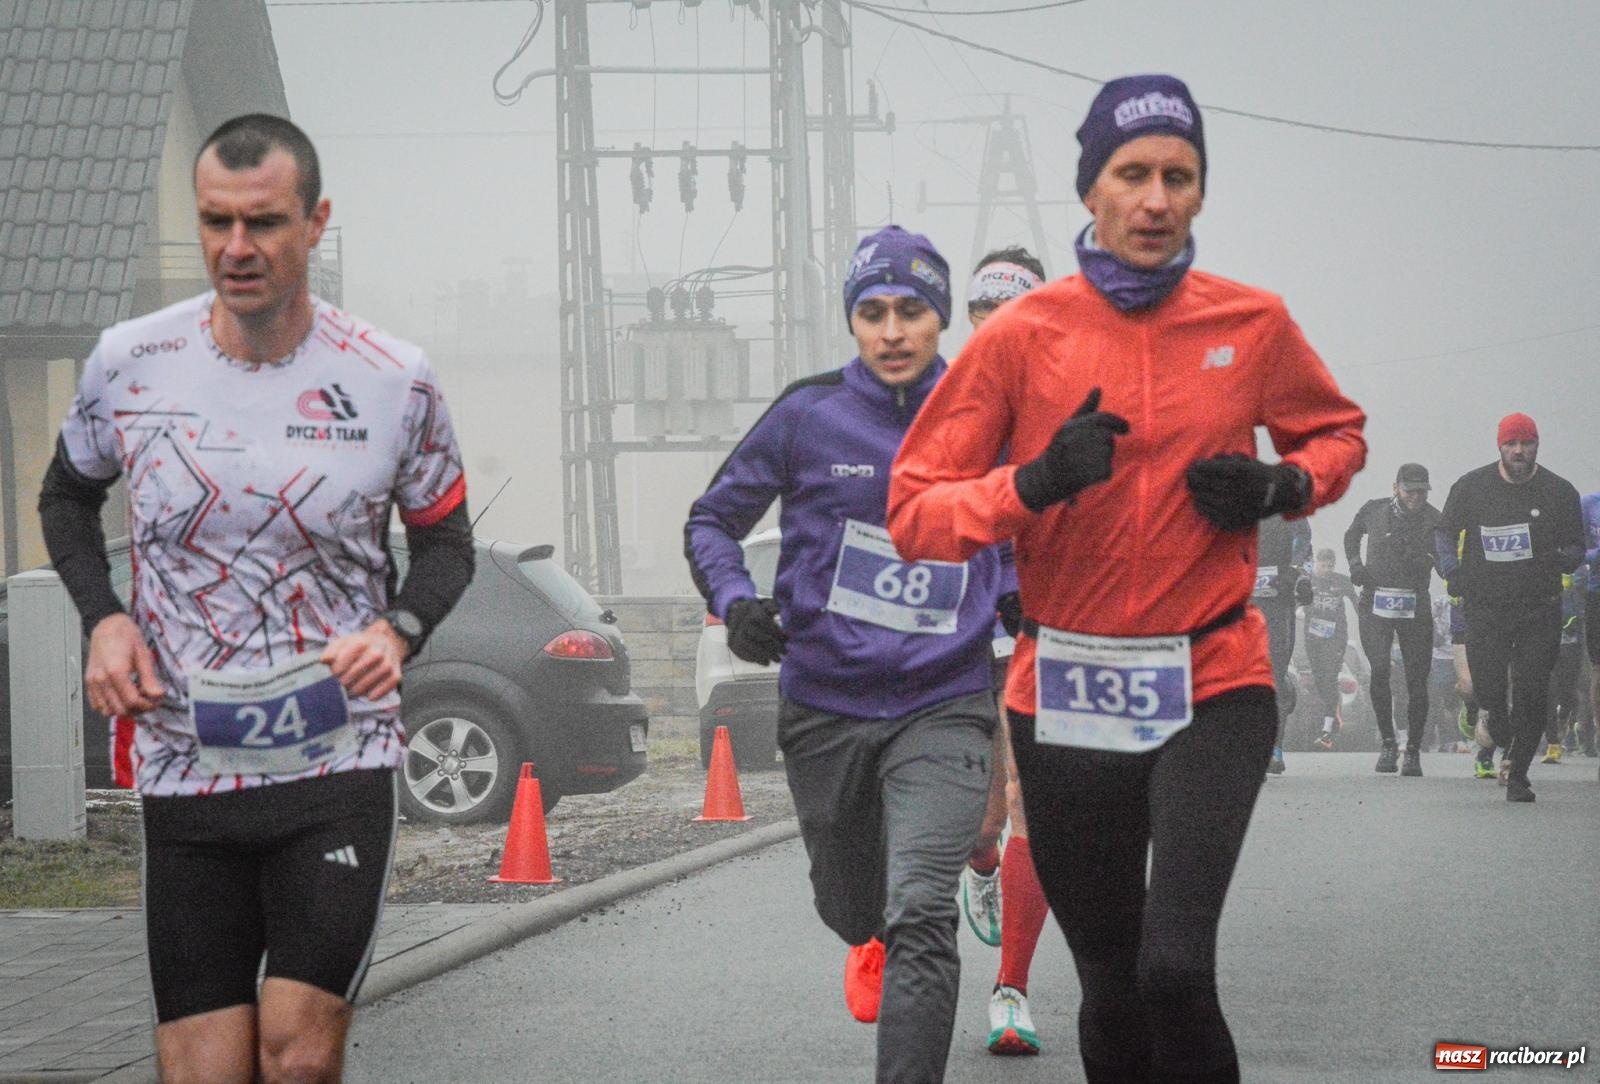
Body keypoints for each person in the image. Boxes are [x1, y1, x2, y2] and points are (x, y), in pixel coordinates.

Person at [887, 75, 1366, 1083]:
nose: (1156, 199)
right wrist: (1034, 483)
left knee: (1174, 970)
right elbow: (916, 511)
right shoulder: (1022, 338)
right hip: (1065, 691)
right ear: (1090, 191)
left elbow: (1336, 431)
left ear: (1198, 195)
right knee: (1108, 979)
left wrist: (1285, 482)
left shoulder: (1253, 322)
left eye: (1178, 177)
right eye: (1132, 174)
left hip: (1213, 677)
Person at [36, 115, 473, 1083]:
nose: (237, 249)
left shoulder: (392, 379)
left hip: (335, 753)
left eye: (264, 223)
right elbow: (65, 496)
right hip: (187, 760)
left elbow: (446, 545)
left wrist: (400, 631)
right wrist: (104, 619)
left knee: (295, 1057)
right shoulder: (131, 363)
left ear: (314, 223)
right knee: (205, 1069)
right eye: (215, 223)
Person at [684, 226, 1004, 1082]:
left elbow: (1032, 525)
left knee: (922, 912)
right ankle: (866, 932)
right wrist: (736, 601)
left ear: (940, 320)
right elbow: (711, 519)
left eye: (911, 311)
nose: (892, 331)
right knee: (854, 903)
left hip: (947, 702)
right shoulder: (808, 415)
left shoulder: (987, 415)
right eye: (872, 312)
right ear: (853, 323)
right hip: (826, 707)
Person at [954, 246, 1054, 1057]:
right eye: (983, 314)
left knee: (1032, 800)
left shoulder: (1066, 407)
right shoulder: (942, 407)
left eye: (1011, 314)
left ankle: (1010, 989)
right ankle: (979, 861)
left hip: (1043, 628)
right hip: (962, 631)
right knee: (984, 815)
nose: (996, 329)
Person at [1436, 413, 1585, 802]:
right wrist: (1451, 568)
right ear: (1499, 447)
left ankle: (1518, 773)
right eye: (1511, 444)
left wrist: (1558, 559)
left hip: (1539, 607)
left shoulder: (1559, 491)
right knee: (1489, 691)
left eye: (1527, 443)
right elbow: (1444, 533)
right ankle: (1499, 729)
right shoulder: (1472, 487)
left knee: (1534, 689)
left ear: (1537, 445)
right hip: (1487, 606)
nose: (1519, 451)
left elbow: (1575, 546)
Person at [1344, 463, 1441, 775]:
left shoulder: (1434, 519)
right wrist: (1356, 565)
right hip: (1376, 603)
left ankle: (1413, 750)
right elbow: (1350, 536)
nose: (1415, 497)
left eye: (1421, 491)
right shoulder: (1374, 510)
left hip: (1415, 605)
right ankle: (1388, 743)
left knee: (1416, 679)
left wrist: (1431, 562)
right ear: (1395, 487)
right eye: (1410, 490)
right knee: (1381, 670)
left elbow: (1446, 561)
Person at [1255, 515, 1312, 773]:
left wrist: (1299, 575)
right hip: (1242, 609)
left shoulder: (1292, 512)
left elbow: (1304, 546)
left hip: (1279, 606)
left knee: (1275, 675)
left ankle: (1274, 748)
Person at [1302, 547, 1358, 749]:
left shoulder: (1341, 580)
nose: (1327, 569)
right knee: (1320, 680)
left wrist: (1369, 622)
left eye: (1330, 566)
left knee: (1330, 675)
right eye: (1323, 565)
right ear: (1316, 563)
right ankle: (1331, 719)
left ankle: (1328, 728)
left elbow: (1357, 602)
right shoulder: (1306, 580)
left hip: (1336, 637)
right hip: (1313, 637)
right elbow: (1293, 603)